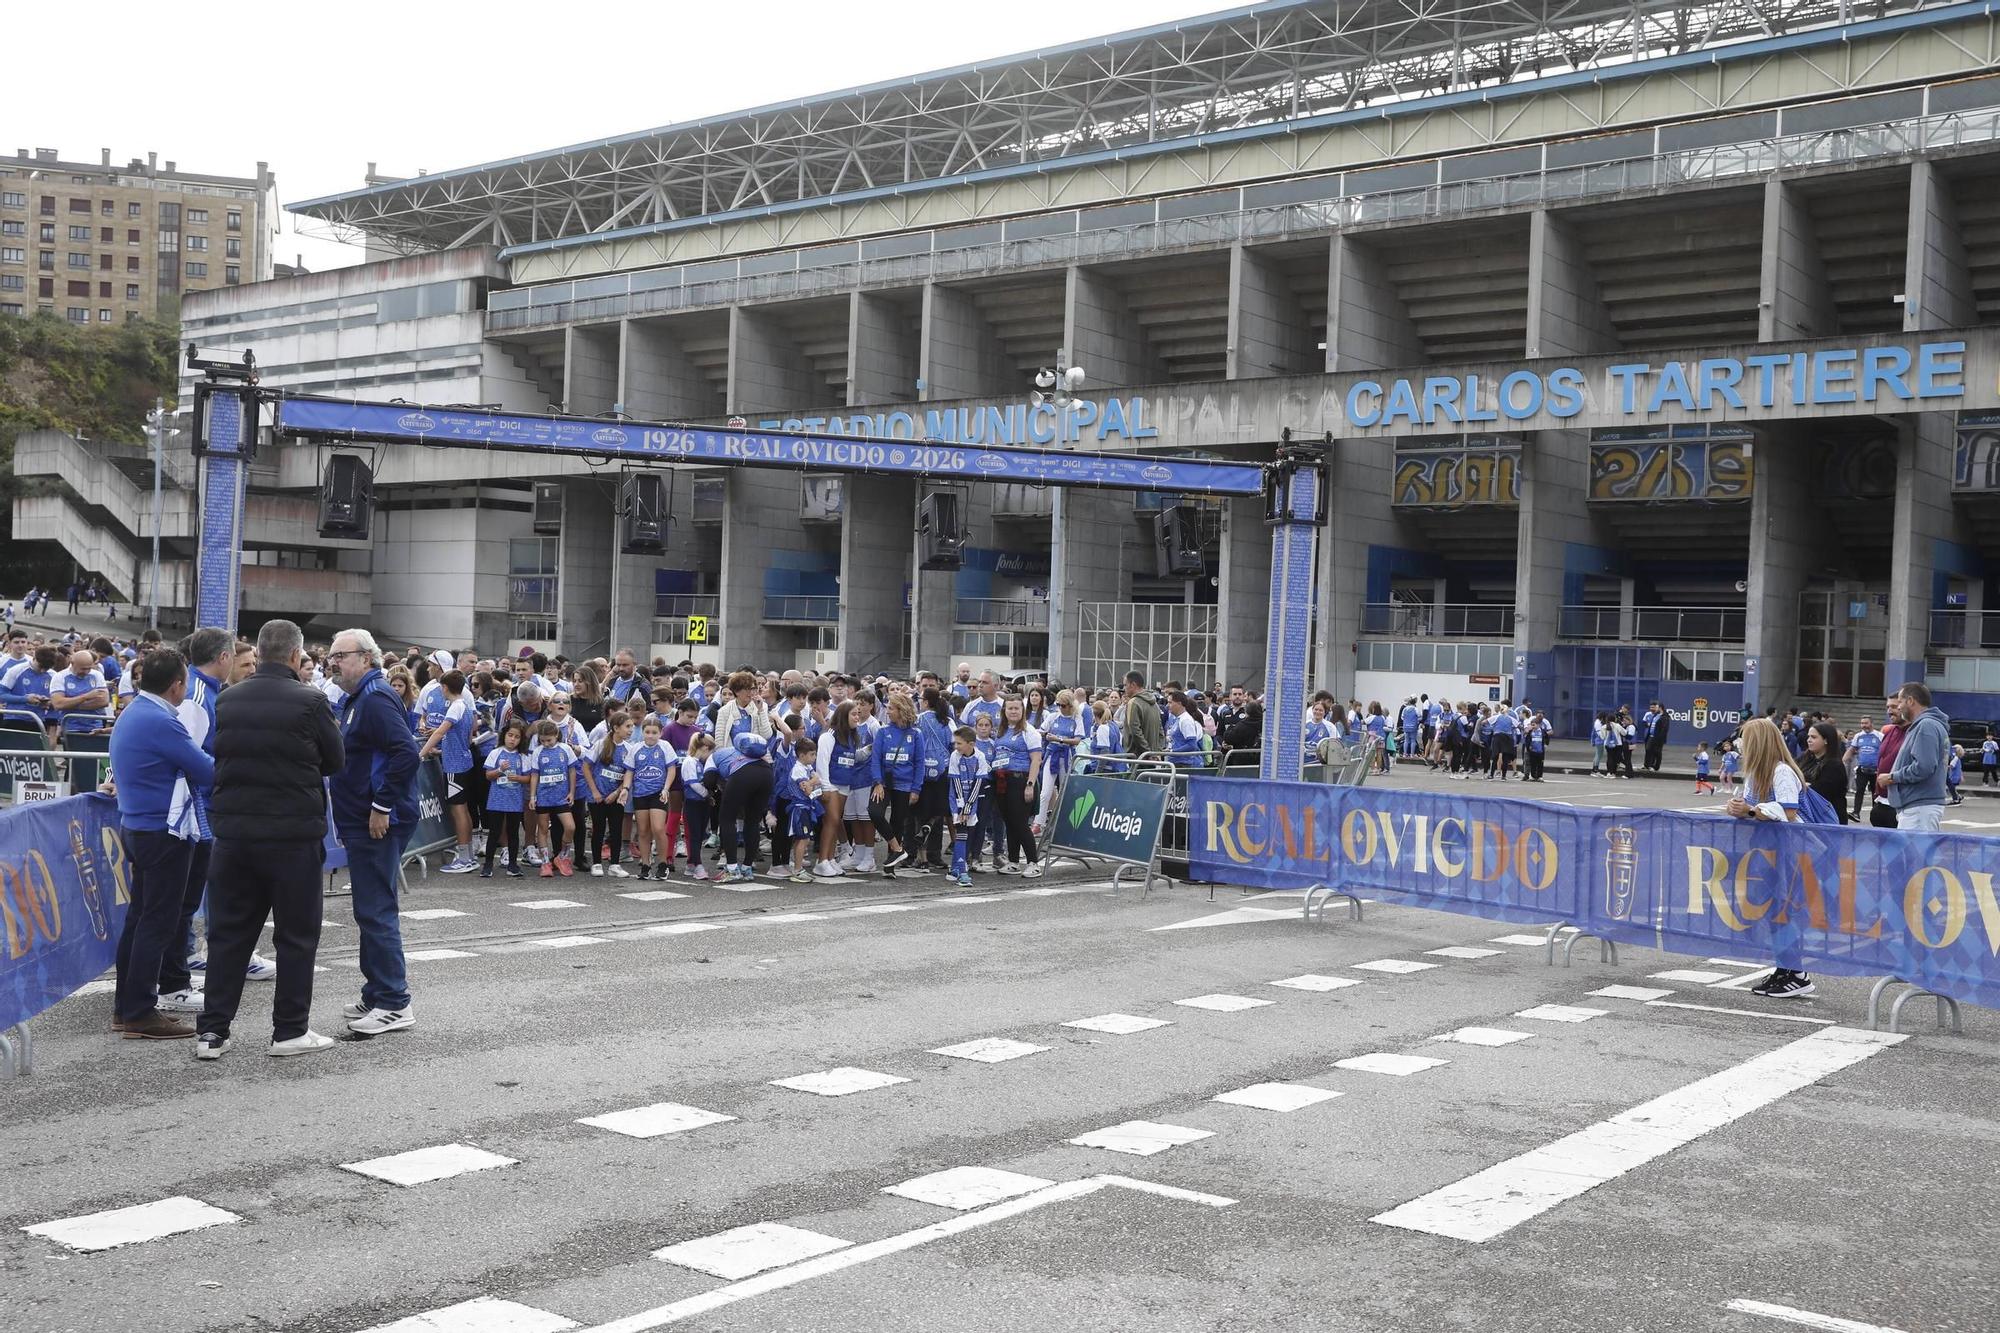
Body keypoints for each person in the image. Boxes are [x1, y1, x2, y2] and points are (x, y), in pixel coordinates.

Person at [193, 620, 345, 1060]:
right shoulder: (311, 700)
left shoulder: (229, 697)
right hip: (291, 834)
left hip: (234, 833)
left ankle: (212, 1032)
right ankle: (289, 1030)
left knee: (228, 934)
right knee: (296, 935)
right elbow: (334, 760)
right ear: (297, 656)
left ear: (258, 653)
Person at [107, 649, 215, 1040]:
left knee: (139, 920)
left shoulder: (134, 712)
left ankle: (127, 1007)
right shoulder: (161, 720)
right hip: (162, 832)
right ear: (177, 685)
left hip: (137, 826)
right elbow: (205, 769)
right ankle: (138, 1012)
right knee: (157, 923)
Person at [326, 628, 421, 1037]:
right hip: (362, 819)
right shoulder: (359, 697)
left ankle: (395, 1003)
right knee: (368, 908)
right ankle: (377, 991)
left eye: (340, 655)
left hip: (377, 821)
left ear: (366, 658)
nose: (333, 662)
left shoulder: (376, 696)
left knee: (376, 908)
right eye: (330, 656)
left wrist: (381, 805)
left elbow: (406, 753)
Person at [1725, 718, 1816, 999]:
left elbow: (1788, 812)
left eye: (1745, 739)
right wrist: (1737, 808)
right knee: (1774, 911)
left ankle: (1796, 972)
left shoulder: (1782, 772)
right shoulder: (1756, 774)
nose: (1741, 745)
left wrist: (1751, 811)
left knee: (1785, 911)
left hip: (1789, 852)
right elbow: (1753, 806)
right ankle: (1785, 966)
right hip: (1768, 851)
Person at [1882, 682, 1950, 834]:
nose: (1898, 707)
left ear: (1910, 701)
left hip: (1919, 809)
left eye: (1900, 701)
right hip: (1917, 808)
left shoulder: (1926, 726)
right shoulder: (1926, 725)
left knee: (1915, 857)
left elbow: (1923, 767)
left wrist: (1892, 777)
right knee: (1915, 857)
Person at [992, 696, 1044, 876]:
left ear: (1022, 711)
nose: (1013, 711)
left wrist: (1030, 785)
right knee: (1009, 822)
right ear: (1004, 711)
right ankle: (1013, 861)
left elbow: (1036, 760)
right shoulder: (1002, 730)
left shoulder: (1029, 731)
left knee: (1020, 823)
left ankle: (1033, 863)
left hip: (1020, 779)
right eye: (1010, 708)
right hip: (1002, 780)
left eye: (1016, 708)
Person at [481, 721, 532, 878]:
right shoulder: (496, 753)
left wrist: (518, 778)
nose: (512, 739)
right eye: (510, 735)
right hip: (497, 799)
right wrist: (500, 770)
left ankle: (512, 864)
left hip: (514, 800)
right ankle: (488, 865)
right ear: (504, 735)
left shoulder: (522, 756)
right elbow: (488, 775)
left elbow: (528, 778)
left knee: (513, 832)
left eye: (517, 737)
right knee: (495, 832)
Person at [945, 725, 989, 888]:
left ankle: (955, 868)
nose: (956, 747)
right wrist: (961, 807)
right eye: (955, 743)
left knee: (964, 833)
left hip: (972, 800)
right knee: (962, 831)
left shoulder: (980, 757)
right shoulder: (954, 757)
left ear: (971, 744)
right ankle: (963, 873)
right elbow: (955, 782)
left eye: (959, 743)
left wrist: (968, 807)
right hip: (957, 799)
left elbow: (978, 784)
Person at [1800, 722, 1849, 824]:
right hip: (1809, 817)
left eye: (1813, 737)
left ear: (1826, 740)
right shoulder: (1805, 759)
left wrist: (1804, 785)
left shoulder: (1834, 765)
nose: (1808, 740)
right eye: (1808, 736)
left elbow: (1818, 792)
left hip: (1829, 819)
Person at [1845, 717, 1882, 821]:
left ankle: (1876, 815)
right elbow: (1852, 749)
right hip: (1862, 769)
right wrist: (1842, 761)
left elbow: (1885, 751)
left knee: (1875, 793)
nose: (1863, 725)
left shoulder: (1879, 736)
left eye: (1866, 723)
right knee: (1859, 790)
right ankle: (1856, 813)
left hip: (1876, 770)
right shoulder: (1858, 736)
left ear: (1872, 723)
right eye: (1862, 723)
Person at [1642, 700, 1670, 772]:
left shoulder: (1665, 717)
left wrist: (1660, 738)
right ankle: (1647, 765)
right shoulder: (1655, 715)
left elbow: (1664, 729)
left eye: (1656, 707)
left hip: (1658, 738)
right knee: (1648, 750)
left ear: (1660, 708)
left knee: (1657, 752)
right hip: (1651, 736)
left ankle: (1655, 767)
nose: (1654, 709)